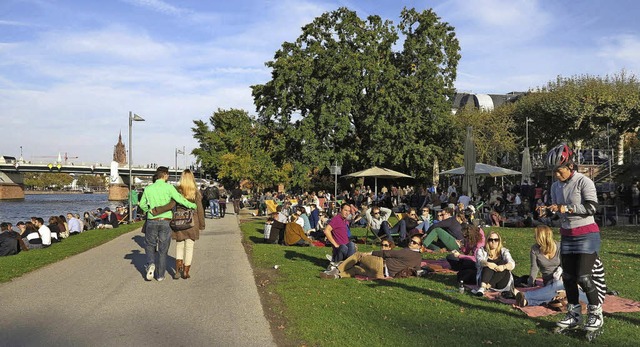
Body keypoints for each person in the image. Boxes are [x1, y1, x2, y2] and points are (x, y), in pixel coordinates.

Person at [546, 143, 606, 332]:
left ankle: (596, 314)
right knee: (568, 277)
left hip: (587, 235)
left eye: (559, 170)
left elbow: (592, 207)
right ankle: (573, 313)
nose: (556, 175)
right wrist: (549, 212)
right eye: (553, 171)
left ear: (570, 166)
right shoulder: (555, 186)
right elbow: (557, 213)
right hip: (567, 235)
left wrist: (569, 208)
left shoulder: (583, 182)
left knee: (583, 276)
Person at [139, 166, 197, 281]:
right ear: (165, 175)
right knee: (163, 248)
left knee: (150, 245)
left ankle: (151, 263)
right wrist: (192, 205)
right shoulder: (169, 188)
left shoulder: (148, 188)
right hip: (165, 221)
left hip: (152, 220)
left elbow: (141, 204)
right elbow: (180, 200)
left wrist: (148, 210)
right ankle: (160, 275)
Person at [514, 225, 588, 307]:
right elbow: (534, 268)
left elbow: (566, 267)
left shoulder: (560, 247)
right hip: (549, 281)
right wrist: (530, 284)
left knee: (560, 287)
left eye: (536, 236)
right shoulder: (535, 249)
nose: (534, 237)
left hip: (562, 278)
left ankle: (527, 299)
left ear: (542, 238)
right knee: (559, 290)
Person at [321, 233, 423, 279]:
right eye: (411, 240)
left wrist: (371, 253)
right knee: (356, 269)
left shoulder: (407, 252)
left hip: (381, 265)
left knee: (358, 255)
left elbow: (388, 253)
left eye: (414, 242)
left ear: (419, 246)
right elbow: (418, 270)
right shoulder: (419, 257)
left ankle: (337, 269)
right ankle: (336, 276)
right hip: (381, 275)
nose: (411, 243)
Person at [167, 169, 206, 280]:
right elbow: (200, 209)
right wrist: (202, 224)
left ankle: (178, 269)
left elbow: (172, 205)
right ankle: (186, 271)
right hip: (192, 221)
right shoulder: (196, 192)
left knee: (179, 245)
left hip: (179, 220)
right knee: (189, 247)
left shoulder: (177, 190)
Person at [473, 231, 515, 297]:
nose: (493, 242)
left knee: (503, 263)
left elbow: (512, 263)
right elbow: (479, 261)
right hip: (486, 279)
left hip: (501, 282)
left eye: (496, 240)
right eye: (491, 240)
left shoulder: (504, 251)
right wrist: (488, 264)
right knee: (487, 264)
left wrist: (504, 267)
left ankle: (487, 286)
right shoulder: (481, 250)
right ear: (487, 241)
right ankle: (483, 287)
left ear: (499, 241)